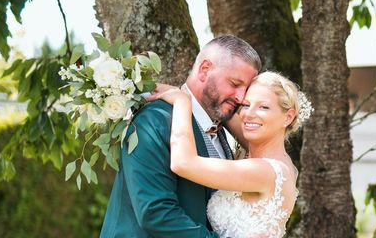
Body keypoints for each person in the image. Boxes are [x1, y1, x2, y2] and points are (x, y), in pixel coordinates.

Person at [100, 35, 261, 238]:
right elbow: (155, 213)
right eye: (235, 83)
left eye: (245, 88)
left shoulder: (220, 131)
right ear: (204, 70)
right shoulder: (154, 120)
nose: (241, 97)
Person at [146, 71, 312, 238]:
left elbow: (183, 163)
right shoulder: (264, 151)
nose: (249, 114)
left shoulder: (265, 171)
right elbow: (221, 111)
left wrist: (182, 101)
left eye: (264, 107)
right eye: (246, 105)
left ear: (288, 117)